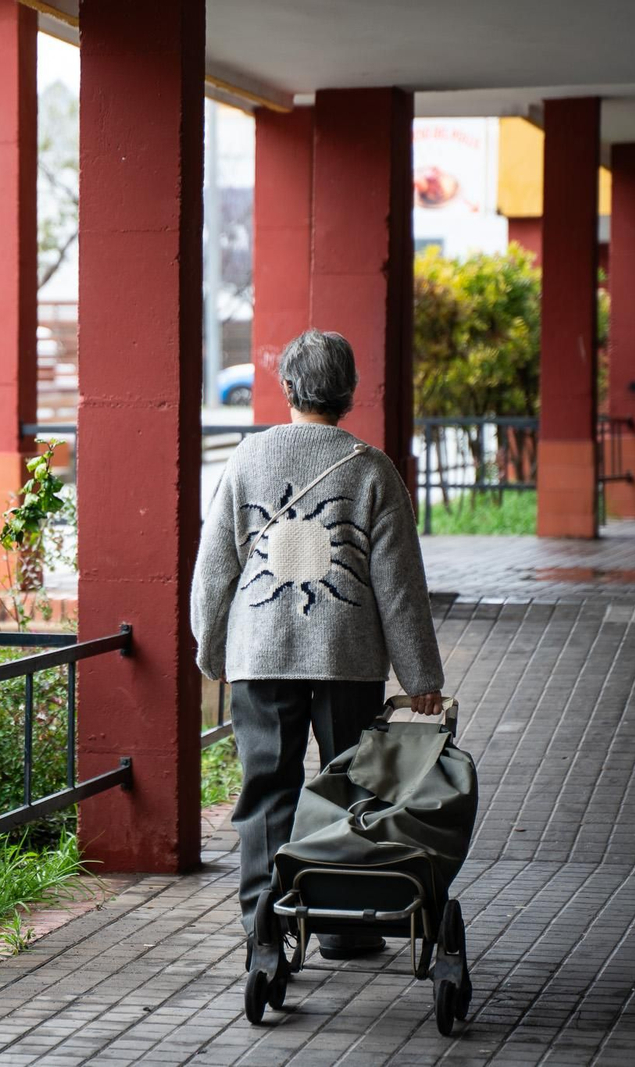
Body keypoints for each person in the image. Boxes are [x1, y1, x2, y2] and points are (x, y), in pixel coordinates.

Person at [190, 328, 445, 962]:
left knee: (266, 790)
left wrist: (212, 650)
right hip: (347, 660)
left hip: (261, 657)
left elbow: (213, 568)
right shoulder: (371, 468)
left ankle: (265, 932)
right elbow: (400, 587)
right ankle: (345, 925)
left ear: (286, 386)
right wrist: (420, 677)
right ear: (350, 392)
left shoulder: (248, 459)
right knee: (350, 788)